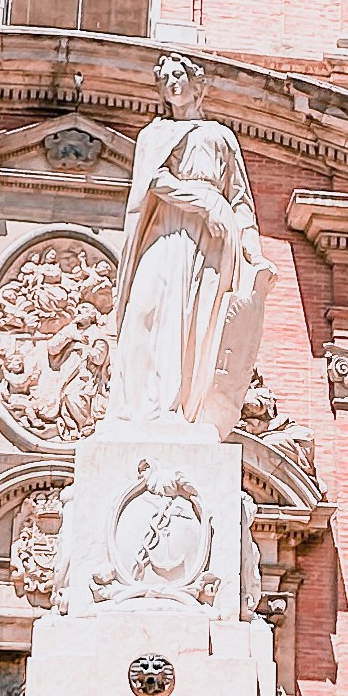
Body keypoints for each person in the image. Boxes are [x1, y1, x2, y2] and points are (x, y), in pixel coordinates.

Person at [103, 58, 267, 439]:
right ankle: (136, 407)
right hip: (167, 229)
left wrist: (254, 253)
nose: (172, 83)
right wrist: (203, 202)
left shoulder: (219, 136)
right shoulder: (154, 135)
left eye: (179, 76)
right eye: (165, 79)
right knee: (144, 310)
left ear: (198, 85)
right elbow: (152, 180)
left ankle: (175, 407)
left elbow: (241, 201)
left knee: (193, 319)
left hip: (210, 239)